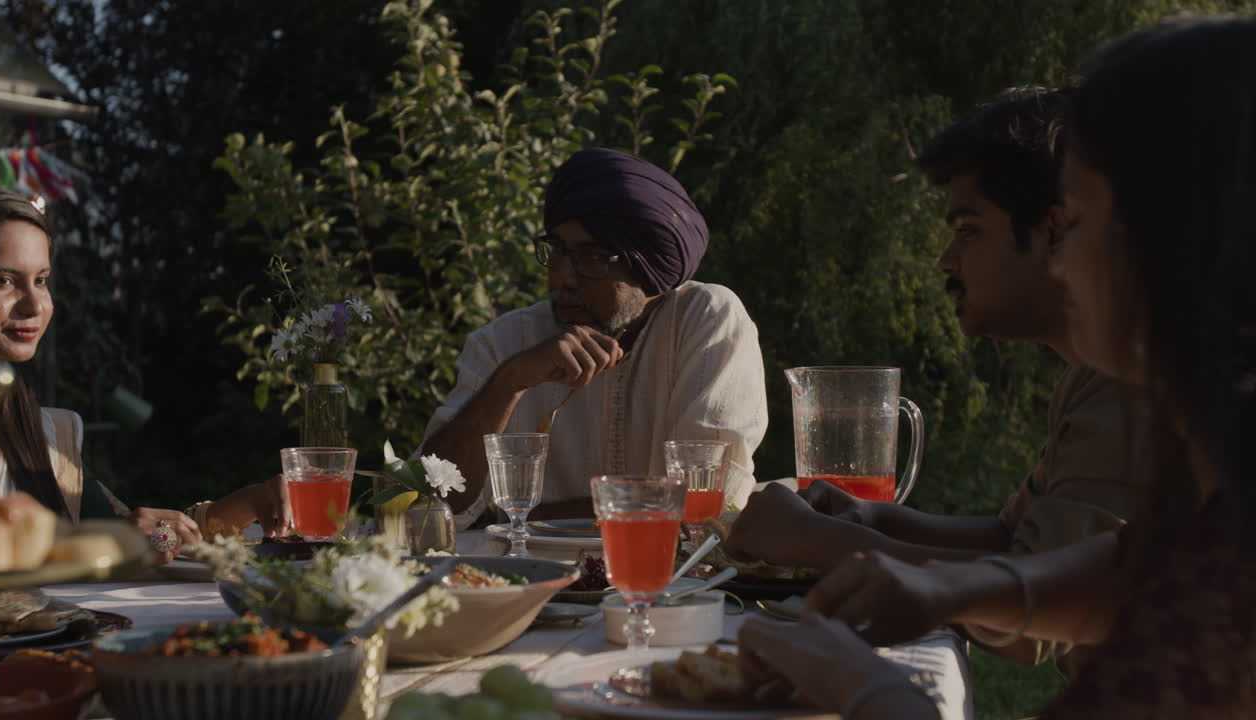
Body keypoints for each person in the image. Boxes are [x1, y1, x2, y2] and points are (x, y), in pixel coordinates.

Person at [738, 16, 1256, 718]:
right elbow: (1144, 565)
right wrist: (953, 590)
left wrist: (868, 689)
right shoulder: (1217, 462)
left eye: (1072, 222)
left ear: (1174, 236)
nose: (1060, 260)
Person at [724, 87, 1146, 668]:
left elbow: (1038, 620)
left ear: (1055, 231)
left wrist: (816, 543)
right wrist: (872, 516)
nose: (947, 260)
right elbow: (1011, 541)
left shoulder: (1137, 380)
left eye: (969, 230)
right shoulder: (1096, 373)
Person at [419, 147, 767, 527]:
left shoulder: (707, 320)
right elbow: (426, 510)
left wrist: (535, 519)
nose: (563, 276)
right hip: (531, 583)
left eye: (593, 258)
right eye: (558, 251)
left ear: (649, 272)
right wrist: (508, 384)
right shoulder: (505, 343)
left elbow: (705, 508)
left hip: (675, 582)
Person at [0, 180, 289, 564]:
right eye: (3, 280)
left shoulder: (42, 436)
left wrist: (250, 504)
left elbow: (140, 532)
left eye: (41, 280)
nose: (34, 304)